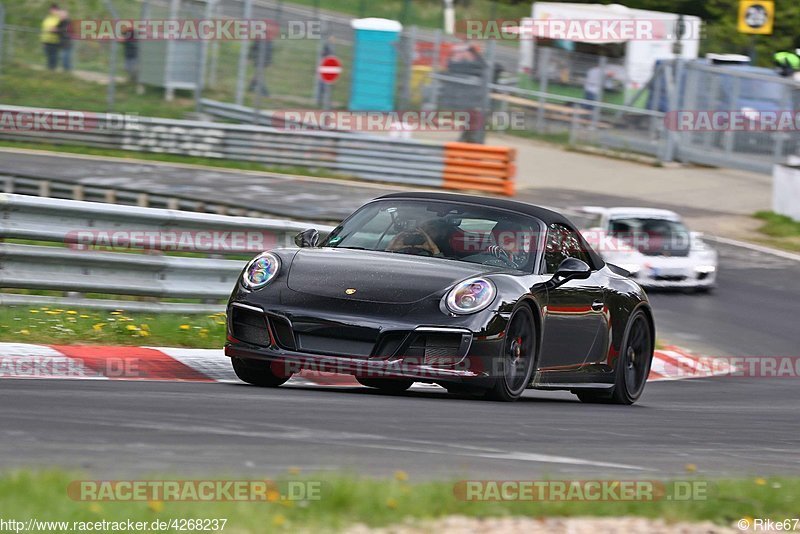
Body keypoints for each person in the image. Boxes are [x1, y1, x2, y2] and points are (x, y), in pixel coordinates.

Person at [40, 4, 62, 71]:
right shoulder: (47, 19)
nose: (52, 11)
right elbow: (43, 30)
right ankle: (49, 70)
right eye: (51, 9)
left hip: (55, 41)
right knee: (48, 56)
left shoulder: (59, 19)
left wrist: (55, 29)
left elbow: (62, 28)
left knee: (54, 57)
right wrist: (42, 41)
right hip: (46, 41)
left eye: (54, 9)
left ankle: (53, 70)